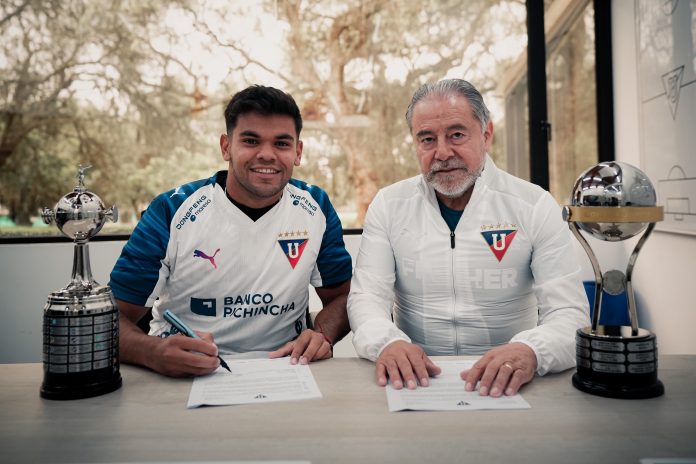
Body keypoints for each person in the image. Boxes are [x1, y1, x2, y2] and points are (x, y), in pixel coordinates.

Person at [347, 78, 589, 397]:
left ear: (486, 135)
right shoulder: (389, 205)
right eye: (427, 139)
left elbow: (569, 314)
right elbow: (366, 298)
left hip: (512, 384)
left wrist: (532, 350)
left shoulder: (534, 205)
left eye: (457, 135)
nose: (442, 152)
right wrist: (387, 343)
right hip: (416, 381)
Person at [110, 85, 352, 377]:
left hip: (286, 369)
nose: (267, 154)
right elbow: (111, 317)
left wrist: (322, 335)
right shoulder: (171, 210)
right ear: (226, 147)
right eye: (251, 141)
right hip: (186, 374)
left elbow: (343, 297)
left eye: (281, 143)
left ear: (297, 152)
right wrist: (153, 352)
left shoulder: (316, 206)